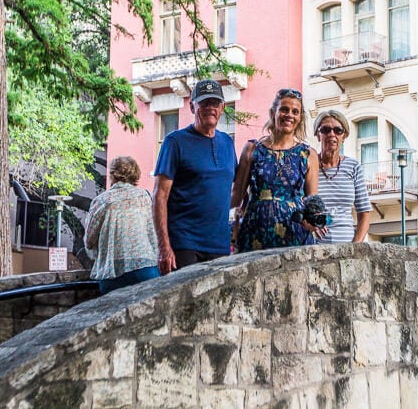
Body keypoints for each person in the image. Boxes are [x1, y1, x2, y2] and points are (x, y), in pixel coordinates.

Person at [152, 79, 237, 274]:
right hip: (184, 244)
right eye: (204, 103)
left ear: (222, 107)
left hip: (219, 245)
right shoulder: (174, 142)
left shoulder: (227, 142)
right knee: (186, 304)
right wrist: (164, 247)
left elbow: (236, 188)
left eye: (215, 103)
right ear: (192, 106)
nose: (210, 108)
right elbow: (159, 196)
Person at [231, 88, 321, 252]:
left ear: (300, 118)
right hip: (255, 233)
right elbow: (236, 197)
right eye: (284, 109)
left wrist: (314, 219)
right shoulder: (252, 149)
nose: (289, 115)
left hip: (295, 236)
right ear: (274, 112)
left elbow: (312, 203)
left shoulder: (308, 154)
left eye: (295, 112)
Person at [85, 156, 160, 294]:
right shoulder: (145, 197)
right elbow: (154, 232)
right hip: (146, 267)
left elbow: (89, 240)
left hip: (113, 270)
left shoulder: (102, 201)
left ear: (112, 174)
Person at [313, 110, 371, 243]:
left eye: (338, 130)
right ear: (318, 134)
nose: (331, 134)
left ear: (344, 136)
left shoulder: (353, 166)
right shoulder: (309, 165)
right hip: (314, 247)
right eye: (325, 130)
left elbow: (364, 213)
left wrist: (355, 247)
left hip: (346, 246)